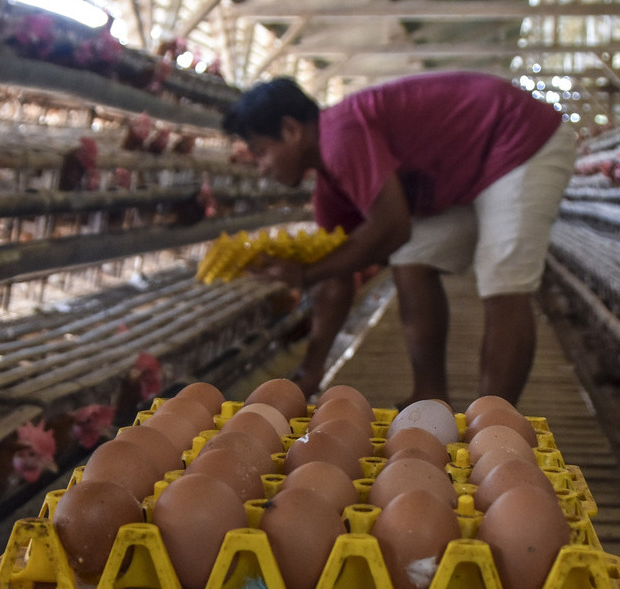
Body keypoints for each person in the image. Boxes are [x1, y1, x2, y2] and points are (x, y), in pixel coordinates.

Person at [221, 72, 576, 406]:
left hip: (518, 136)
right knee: (411, 262)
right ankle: (430, 395)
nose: (262, 167)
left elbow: (392, 227)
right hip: (464, 169)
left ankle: (492, 426)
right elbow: (335, 281)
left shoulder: (340, 134)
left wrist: (304, 272)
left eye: (262, 151)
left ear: (291, 129)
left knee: (502, 279)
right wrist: (311, 371)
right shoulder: (330, 188)